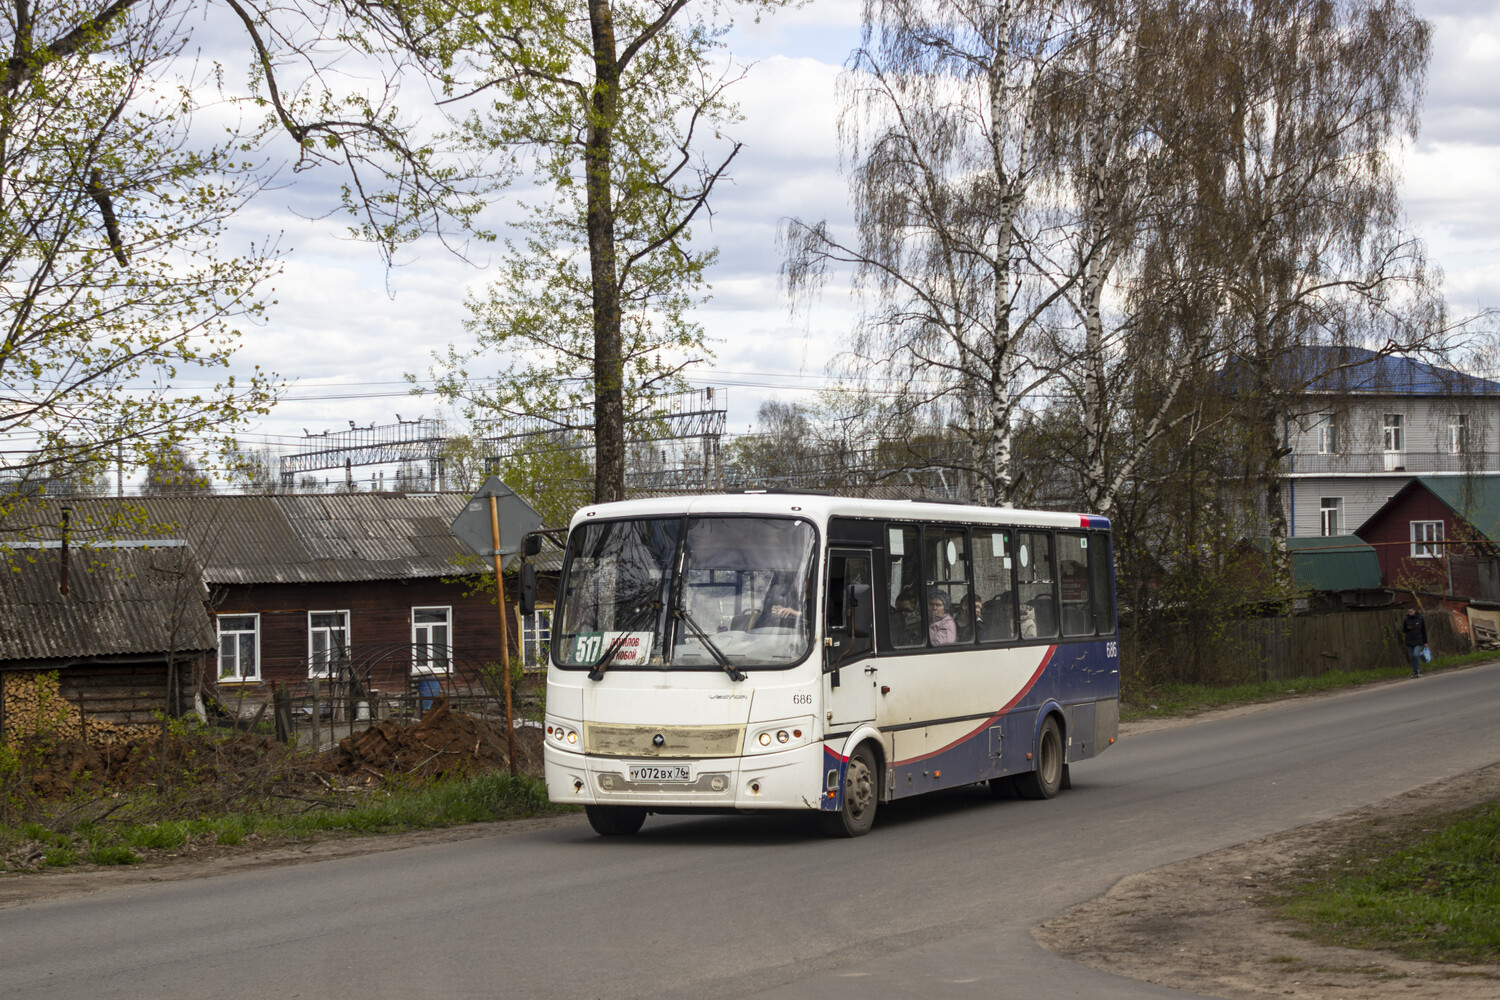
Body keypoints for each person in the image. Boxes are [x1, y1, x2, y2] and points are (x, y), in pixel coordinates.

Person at [1402, 605, 1428, 677]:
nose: (1411, 613)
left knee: (1416, 654)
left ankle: (1419, 670)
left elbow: (1424, 631)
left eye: (1412, 612)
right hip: (1409, 640)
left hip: (1418, 640)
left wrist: (1425, 642)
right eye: (1409, 612)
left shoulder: (1420, 619)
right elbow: (1404, 630)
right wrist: (1407, 628)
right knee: (1412, 656)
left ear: (1415, 611)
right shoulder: (1406, 620)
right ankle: (1414, 671)